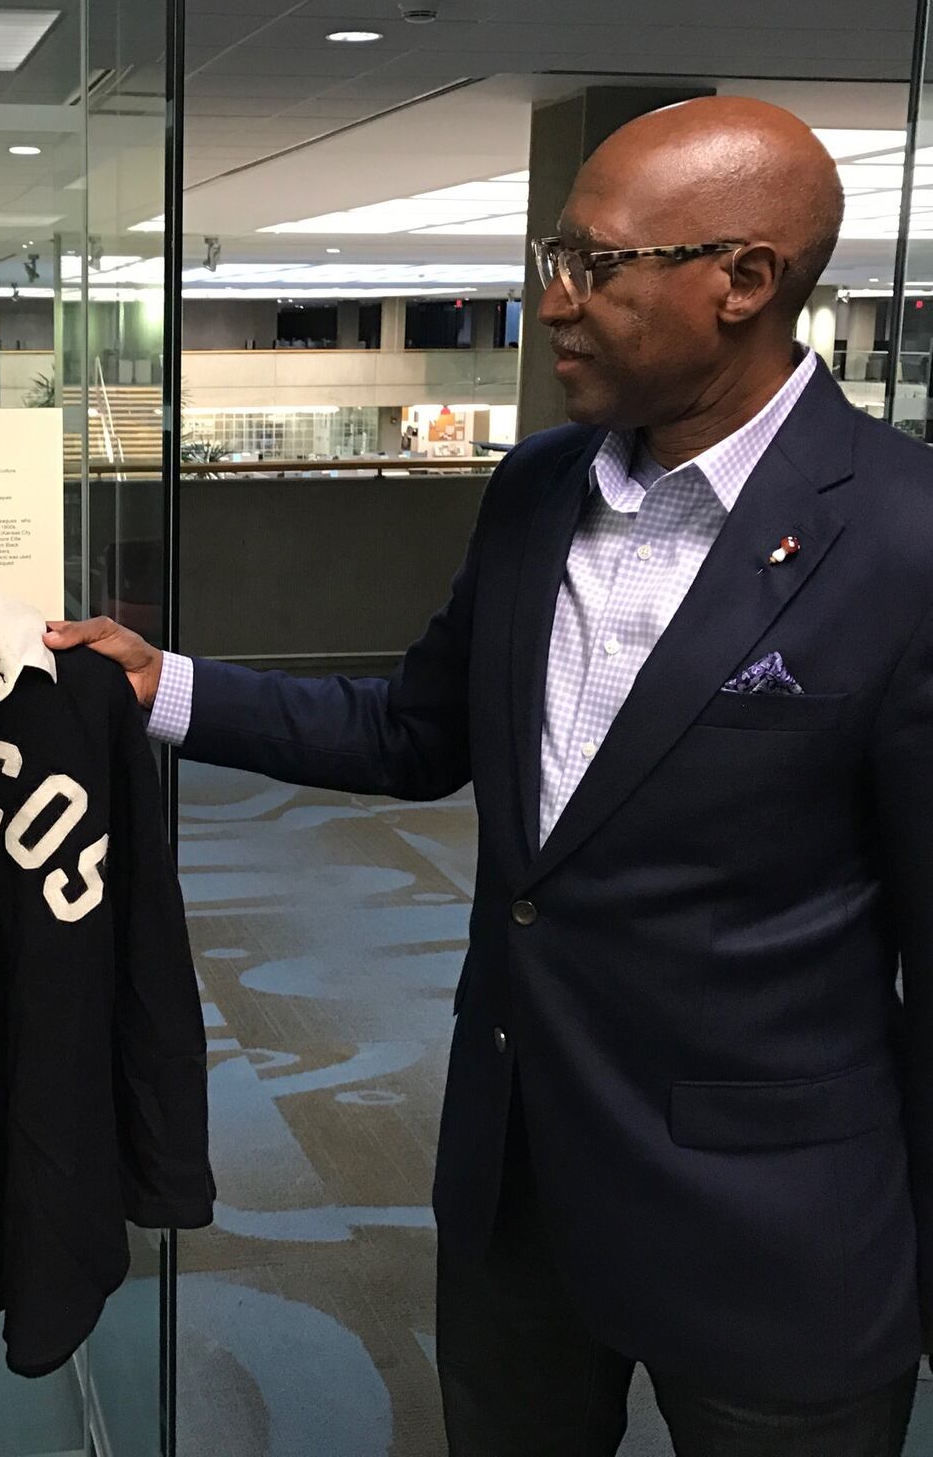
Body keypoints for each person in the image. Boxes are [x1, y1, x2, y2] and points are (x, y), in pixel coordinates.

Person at [45, 95, 933, 1456]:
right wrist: (171, 690)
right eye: (548, 260)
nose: (554, 304)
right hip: (517, 1185)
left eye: (594, 266)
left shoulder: (905, 540)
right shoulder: (535, 490)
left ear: (743, 281)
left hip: (776, 1229)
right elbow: (416, 730)